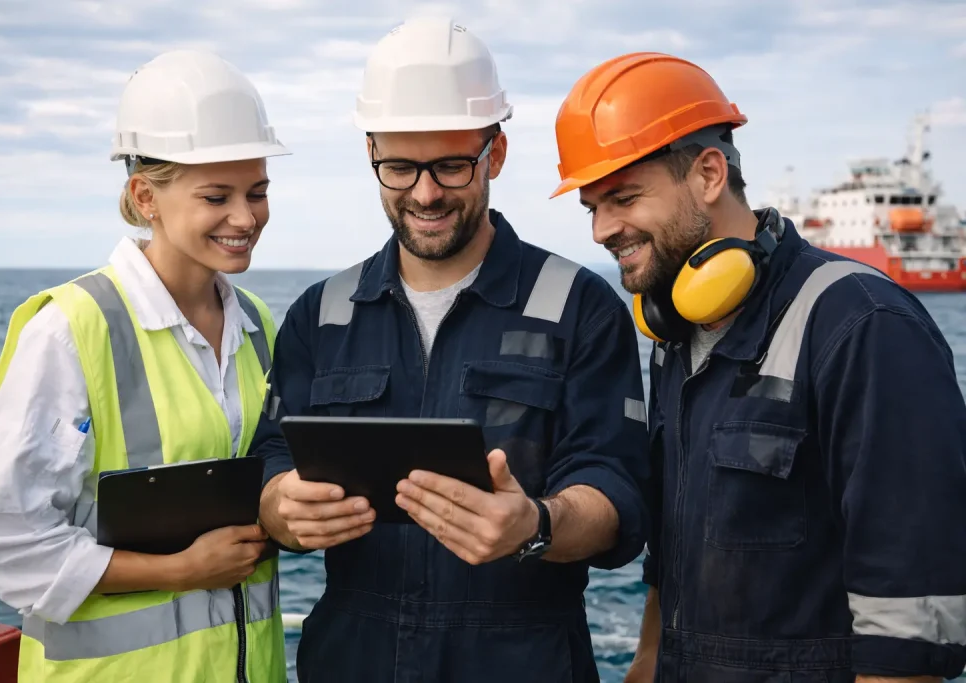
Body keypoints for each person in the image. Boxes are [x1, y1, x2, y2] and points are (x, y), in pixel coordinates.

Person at [252, 16, 652, 683]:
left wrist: (537, 523)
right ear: (371, 153)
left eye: (451, 165)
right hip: (352, 660)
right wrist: (279, 504)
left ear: (494, 154)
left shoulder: (580, 307)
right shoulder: (319, 316)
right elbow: (271, 459)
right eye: (400, 167)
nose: (426, 192)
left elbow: (620, 490)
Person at [549, 51, 966, 683]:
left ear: (709, 174)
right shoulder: (677, 334)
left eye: (624, 198)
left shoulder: (862, 324)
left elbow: (909, 615)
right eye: (592, 207)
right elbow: (678, 543)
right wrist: (647, 661)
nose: (603, 229)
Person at [0, 49, 292, 682]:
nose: (246, 218)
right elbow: (6, 537)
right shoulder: (73, 328)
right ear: (146, 197)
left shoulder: (257, 326)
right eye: (216, 196)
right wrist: (180, 571)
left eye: (258, 192)